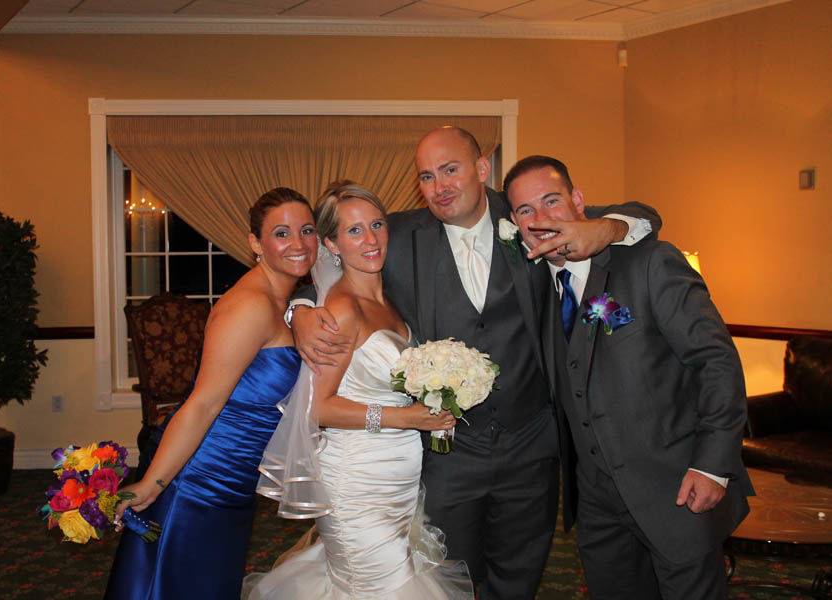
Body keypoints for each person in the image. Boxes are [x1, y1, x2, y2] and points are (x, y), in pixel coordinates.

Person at [291, 127, 662, 598]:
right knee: (447, 580)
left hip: (531, 446)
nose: (440, 186)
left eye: (451, 169)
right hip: (448, 455)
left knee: (520, 576)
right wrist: (299, 312)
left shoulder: (528, 215)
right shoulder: (397, 235)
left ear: (482, 169)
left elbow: (643, 215)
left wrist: (602, 229)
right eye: (427, 176)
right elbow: (329, 273)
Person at [504, 155, 753, 600]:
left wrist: (713, 465)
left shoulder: (650, 262)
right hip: (599, 508)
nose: (540, 220)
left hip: (677, 489)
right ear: (515, 223)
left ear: (581, 202)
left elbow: (716, 360)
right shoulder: (539, 285)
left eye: (551, 201)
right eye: (525, 211)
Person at [247, 183, 474, 599]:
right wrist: (402, 417)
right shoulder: (341, 310)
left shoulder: (390, 301)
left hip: (398, 479)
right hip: (356, 480)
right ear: (331, 242)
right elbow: (317, 408)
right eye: (354, 231)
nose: (370, 240)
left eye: (377, 225)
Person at [104, 188, 318, 600]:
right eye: (281, 233)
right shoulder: (249, 306)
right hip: (201, 479)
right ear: (256, 243)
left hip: (235, 478)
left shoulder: (282, 298)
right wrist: (153, 483)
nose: (298, 244)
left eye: (306, 230)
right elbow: (203, 403)